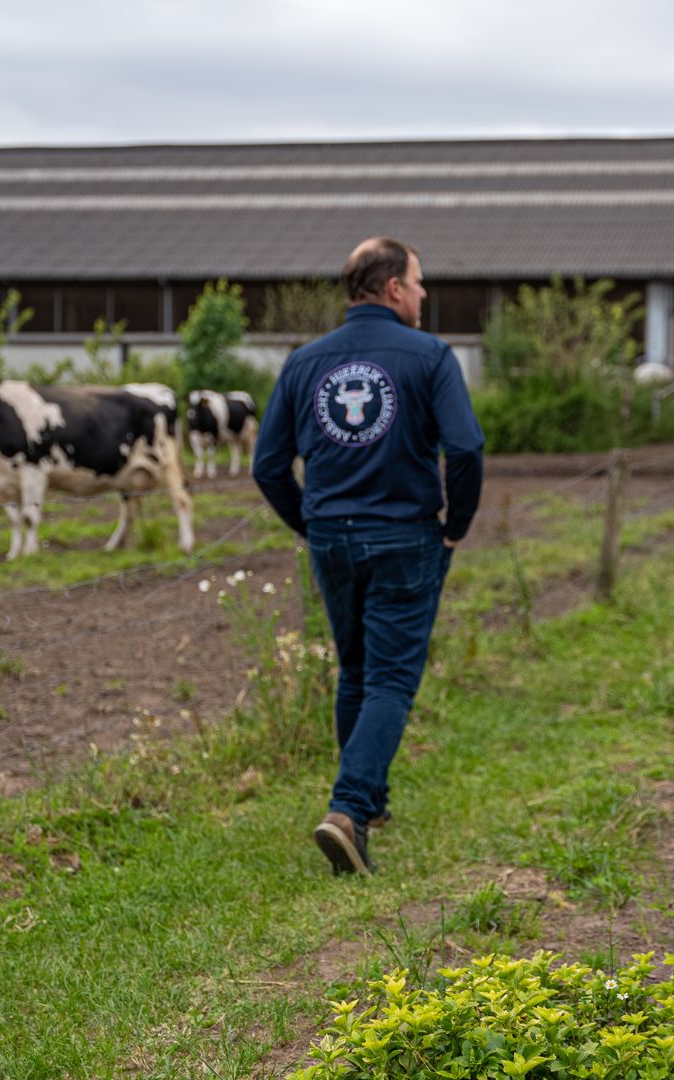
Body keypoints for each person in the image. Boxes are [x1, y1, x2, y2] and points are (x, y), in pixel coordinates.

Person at [251, 237, 484, 875]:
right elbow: (463, 449)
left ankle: (368, 806)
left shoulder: (305, 362)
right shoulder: (431, 357)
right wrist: (455, 526)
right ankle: (348, 809)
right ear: (392, 289)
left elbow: (268, 465)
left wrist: (312, 524)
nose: (424, 293)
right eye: (418, 281)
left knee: (355, 669)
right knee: (389, 679)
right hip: (406, 536)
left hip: (332, 538)